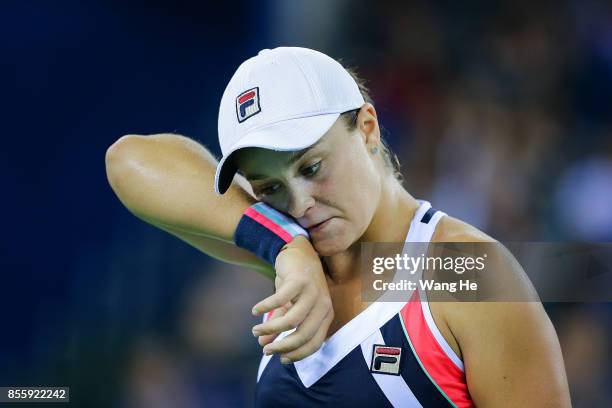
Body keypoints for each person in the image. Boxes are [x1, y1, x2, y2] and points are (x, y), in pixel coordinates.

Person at [106, 47, 571, 407]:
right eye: (270, 189)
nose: (301, 205)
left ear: (368, 128)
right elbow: (127, 161)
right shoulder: (295, 251)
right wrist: (285, 246)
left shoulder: (464, 271)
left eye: (311, 168)